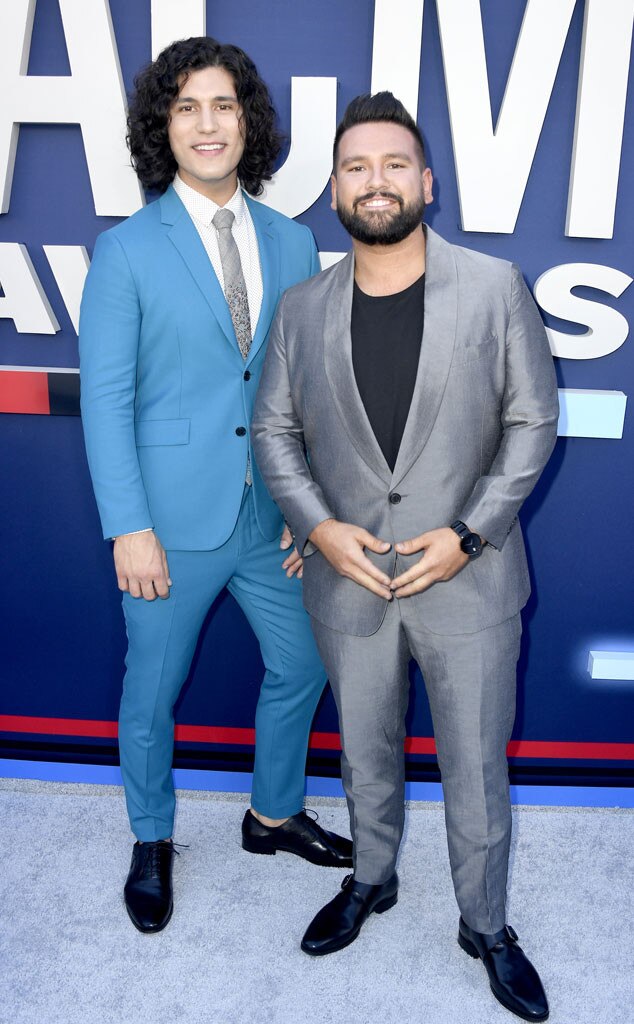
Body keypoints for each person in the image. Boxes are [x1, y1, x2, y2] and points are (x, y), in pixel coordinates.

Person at [252, 92, 558, 1021]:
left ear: (425, 181)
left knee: (477, 767)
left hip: (470, 582)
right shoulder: (301, 308)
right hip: (348, 581)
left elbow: (533, 421)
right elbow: (273, 433)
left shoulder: (495, 285)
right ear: (334, 190)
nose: (374, 180)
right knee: (365, 755)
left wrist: (468, 534)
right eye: (356, 166)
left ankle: (486, 926)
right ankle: (371, 879)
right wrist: (317, 526)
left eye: (393, 164)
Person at [79, 36, 352, 935]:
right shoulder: (125, 251)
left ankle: (271, 814)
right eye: (187, 106)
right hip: (167, 524)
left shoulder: (293, 240)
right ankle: (152, 837)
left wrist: (306, 506)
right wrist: (128, 526)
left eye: (224, 105)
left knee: (305, 662)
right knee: (151, 691)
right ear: (164, 126)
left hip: (270, 516)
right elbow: (107, 402)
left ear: (247, 121)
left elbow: (305, 389)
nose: (208, 123)